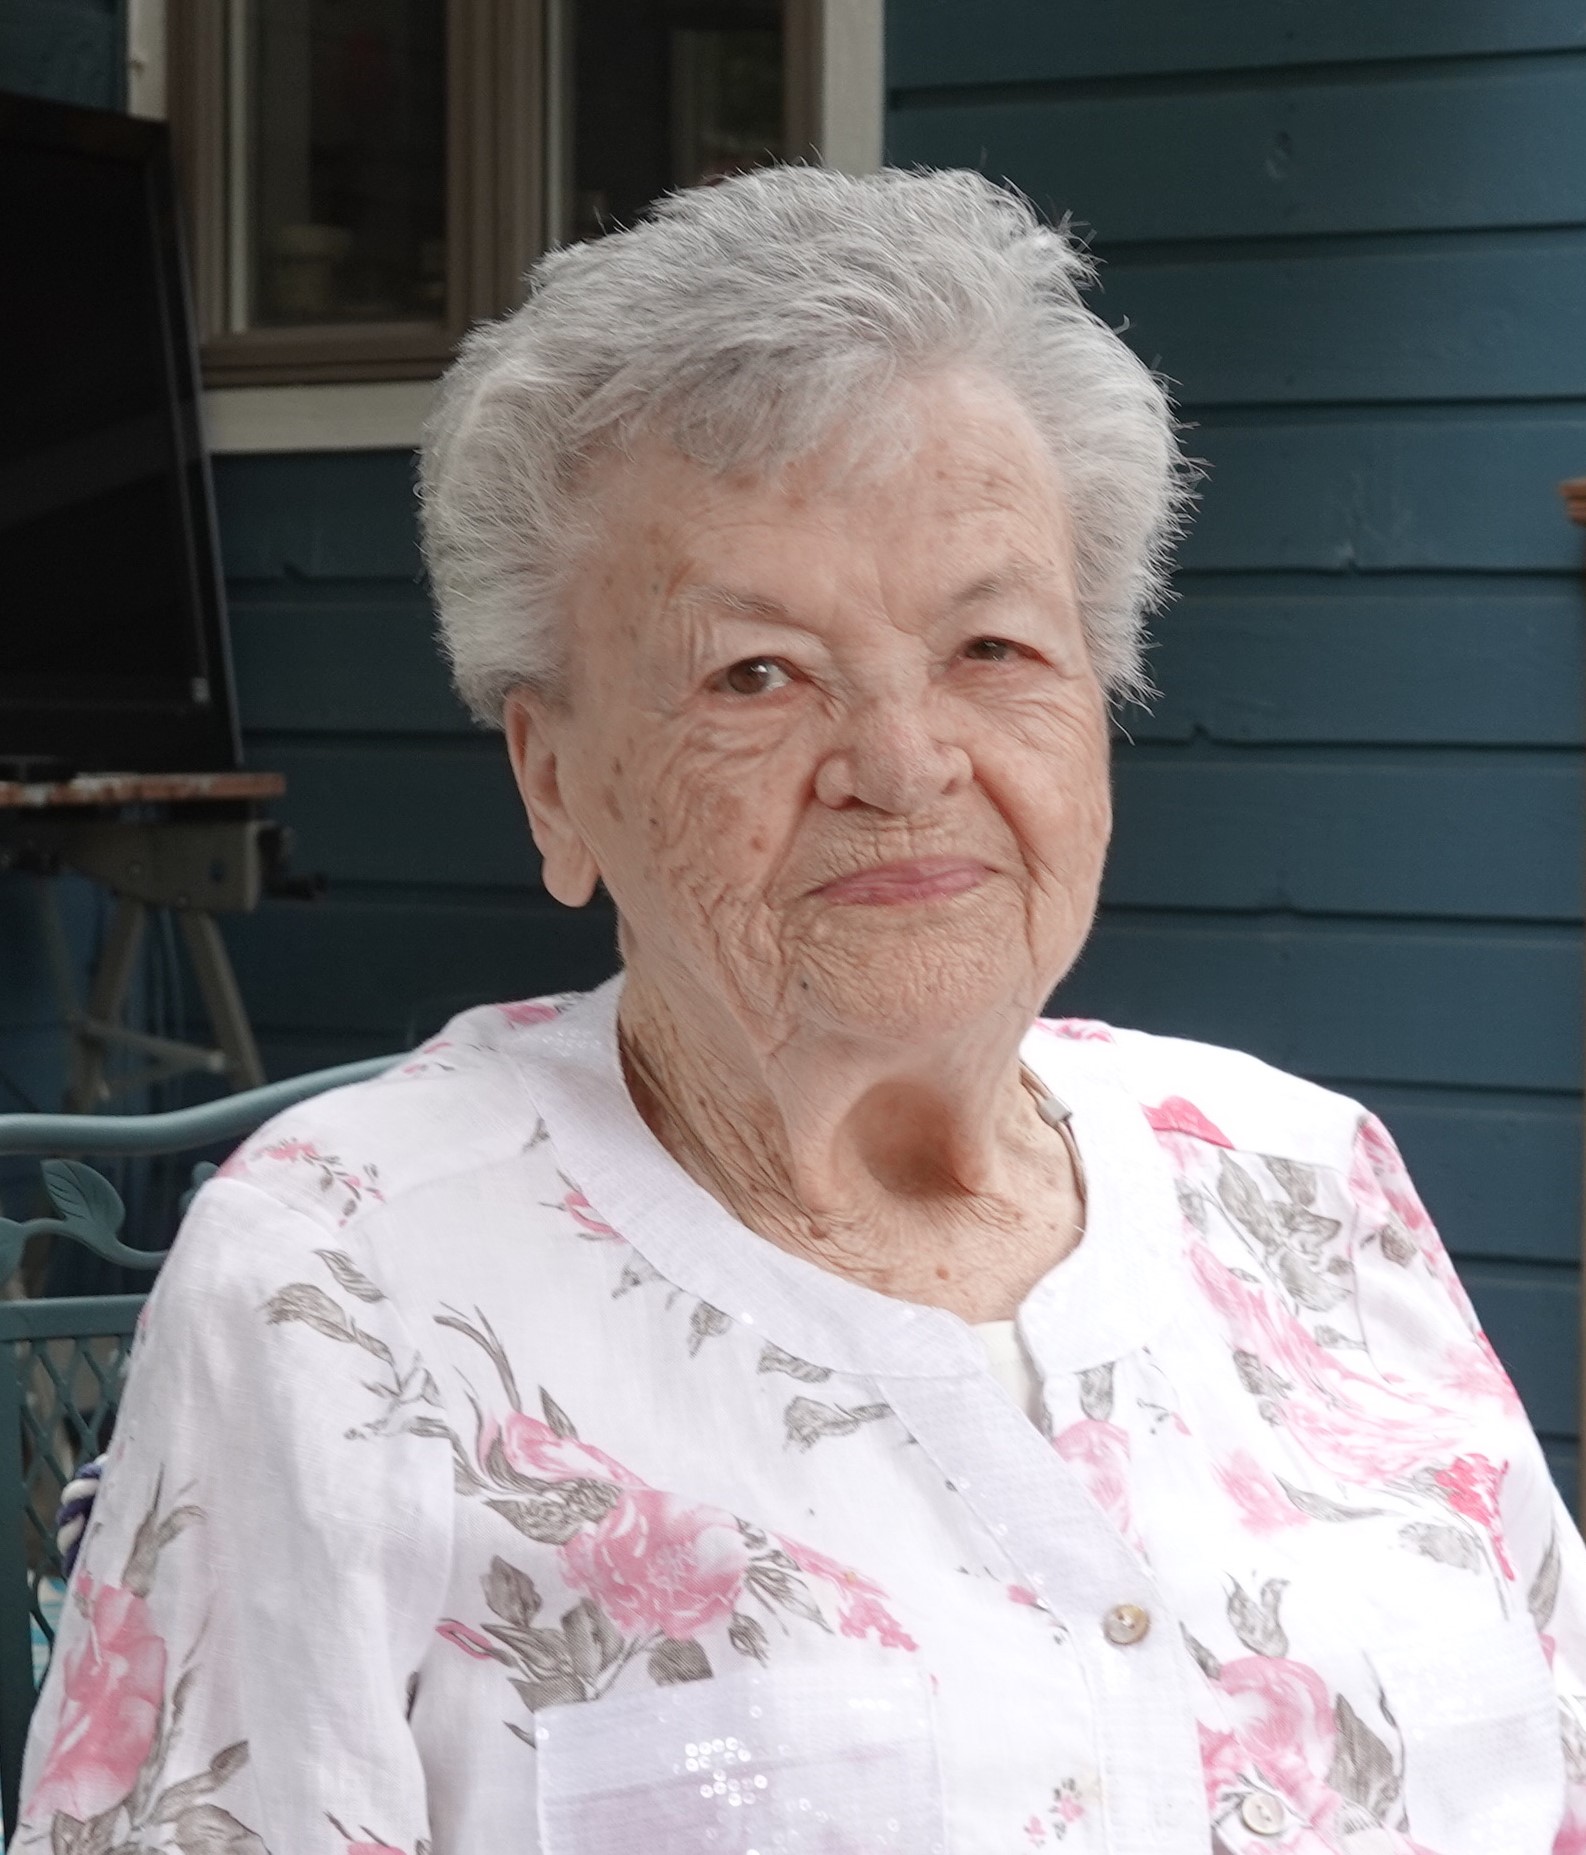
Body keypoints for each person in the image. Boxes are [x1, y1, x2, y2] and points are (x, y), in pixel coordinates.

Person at [14, 165, 1585, 1855]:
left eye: (991, 649)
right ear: (555, 782)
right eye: (753, 673)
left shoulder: (1301, 1177)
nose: (902, 765)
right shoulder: (347, 1282)